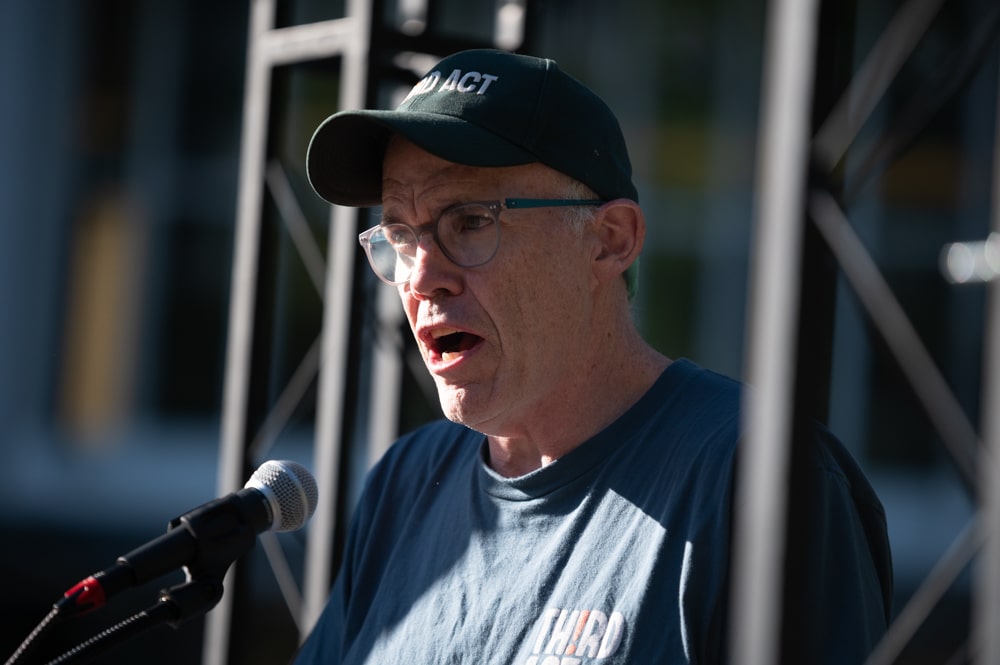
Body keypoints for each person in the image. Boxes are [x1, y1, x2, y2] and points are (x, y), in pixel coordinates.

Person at [293, 49, 893, 664]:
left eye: (469, 221)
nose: (421, 278)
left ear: (610, 242)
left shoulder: (758, 479)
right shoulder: (405, 481)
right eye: (400, 235)